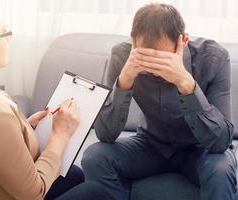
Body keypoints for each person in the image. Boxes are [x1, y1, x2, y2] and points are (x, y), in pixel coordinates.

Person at [0, 0, 108, 199]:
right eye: (4, 32)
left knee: (73, 175)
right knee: (96, 192)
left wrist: (22, 127)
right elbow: (34, 194)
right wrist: (60, 135)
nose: (8, 39)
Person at [81, 3, 237, 200]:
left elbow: (221, 141)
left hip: (200, 149)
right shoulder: (122, 56)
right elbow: (105, 133)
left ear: (184, 41)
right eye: (146, 58)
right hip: (151, 145)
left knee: (221, 170)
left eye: (162, 59)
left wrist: (186, 83)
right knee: (95, 156)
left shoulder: (214, 58)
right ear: (132, 41)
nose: (155, 70)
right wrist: (124, 82)